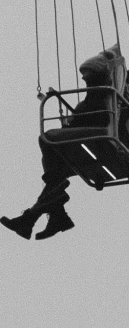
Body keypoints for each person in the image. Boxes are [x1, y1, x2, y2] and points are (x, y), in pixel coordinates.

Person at [2, 49, 120, 242]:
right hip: (97, 132)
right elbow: (90, 111)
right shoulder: (108, 90)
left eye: (87, 76)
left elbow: (95, 113)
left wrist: (72, 122)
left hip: (98, 131)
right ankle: (53, 216)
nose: (85, 80)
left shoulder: (102, 90)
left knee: (47, 139)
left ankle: (38, 217)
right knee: (56, 168)